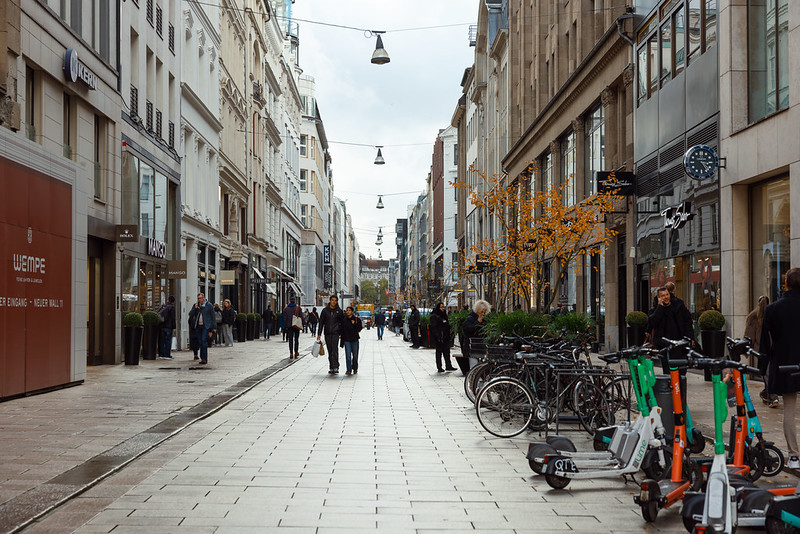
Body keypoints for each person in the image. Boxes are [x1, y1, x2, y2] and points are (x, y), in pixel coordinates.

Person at [760, 267, 800, 469]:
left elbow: (764, 343)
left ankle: (794, 456)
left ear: (785, 284)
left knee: (789, 412)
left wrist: (762, 367)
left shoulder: (773, 309)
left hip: (786, 366)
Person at [648, 286, 694, 372]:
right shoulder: (655, 309)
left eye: (667, 294)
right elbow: (653, 322)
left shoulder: (679, 305)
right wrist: (660, 307)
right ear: (659, 298)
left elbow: (688, 321)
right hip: (664, 345)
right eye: (663, 296)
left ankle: (680, 383)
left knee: (682, 369)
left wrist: (690, 337)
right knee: (667, 369)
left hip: (680, 342)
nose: (666, 297)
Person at [745, 296, 776, 407]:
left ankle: (772, 397)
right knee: (769, 372)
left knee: (766, 373)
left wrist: (746, 349)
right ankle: (769, 395)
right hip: (774, 347)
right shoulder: (773, 313)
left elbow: (749, 334)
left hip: (760, 348)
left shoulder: (753, 316)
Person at [457, 299, 490, 375]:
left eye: (484, 312)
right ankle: (473, 382)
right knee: (473, 366)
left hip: (479, 346)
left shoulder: (483, 319)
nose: (482, 314)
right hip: (472, 346)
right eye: (481, 312)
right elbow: (468, 329)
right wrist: (477, 322)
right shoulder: (470, 318)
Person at [318, 295, 344, 374]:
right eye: (332, 300)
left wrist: (341, 332)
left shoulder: (339, 311)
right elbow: (321, 322)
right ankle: (331, 366)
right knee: (330, 350)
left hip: (335, 333)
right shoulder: (325, 311)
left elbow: (342, 322)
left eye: (335, 300)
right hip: (327, 333)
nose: (334, 302)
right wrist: (319, 333)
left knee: (335, 350)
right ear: (330, 301)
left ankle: (336, 366)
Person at [189, 293, 216, 365]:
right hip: (198, 326)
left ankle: (204, 358)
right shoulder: (196, 306)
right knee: (200, 342)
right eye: (198, 298)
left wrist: (213, 328)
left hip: (205, 326)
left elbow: (213, 317)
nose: (199, 300)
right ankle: (202, 358)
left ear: (203, 298)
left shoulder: (209, 305)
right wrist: (195, 308)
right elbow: (190, 314)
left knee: (204, 341)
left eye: (200, 298)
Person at [430, 302, 456, 372]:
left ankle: (448, 365)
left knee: (447, 352)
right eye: (441, 307)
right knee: (439, 353)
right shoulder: (434, 316)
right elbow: (433, 327)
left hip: (446, 337)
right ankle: (439, 367)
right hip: (439, 338)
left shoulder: (444, 315)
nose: (442, 308)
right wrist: (438, 336)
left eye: (443, 307)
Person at [341, 306, 363, 375]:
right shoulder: (344, 320)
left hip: (354, 339)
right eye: (347, 310)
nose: (348, 311)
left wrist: (354, 324)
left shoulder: (356, 319)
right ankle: (349, 370)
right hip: (347, 340)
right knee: (348, 356)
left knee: (355, 356)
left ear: (352, 312)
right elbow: (342, 330)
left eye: (349, 310)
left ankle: (355, 368)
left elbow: (359, 328)